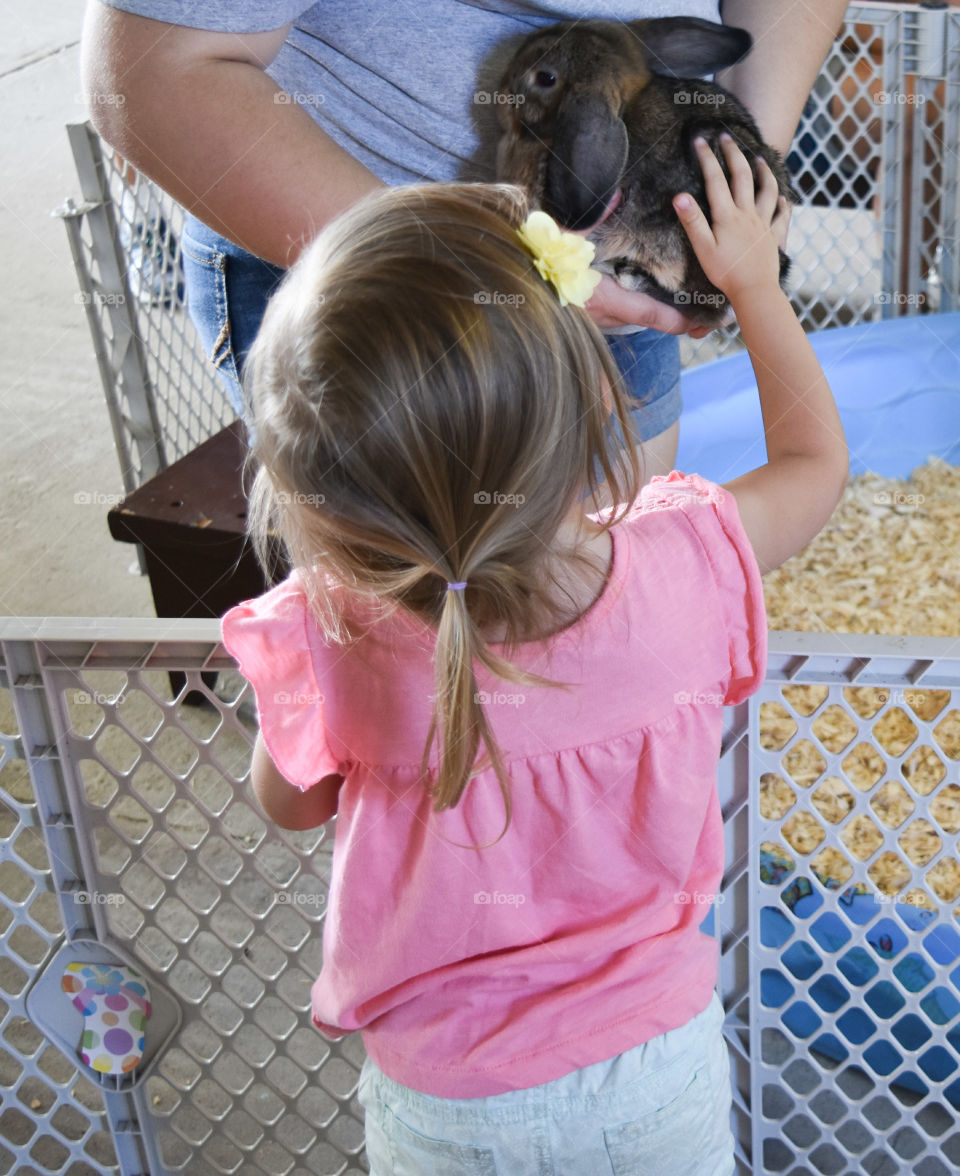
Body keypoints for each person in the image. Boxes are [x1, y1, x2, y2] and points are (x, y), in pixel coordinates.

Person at [219, 138, 848, 1173]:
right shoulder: (681, 564)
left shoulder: (329, 628)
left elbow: (287, 803)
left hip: (450, 1107)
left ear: (314, 502)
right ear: (601, 406)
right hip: (657, 1068)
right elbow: (815, 465)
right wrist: (751, 282)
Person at [82, 0, 849, 480]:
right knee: (384, 603)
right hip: (375, 294)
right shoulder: (672, 559)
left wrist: (739, 173)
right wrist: (747, 281)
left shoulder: (642, 544)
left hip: (607, 267)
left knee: (387, 618)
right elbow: (155, 70)